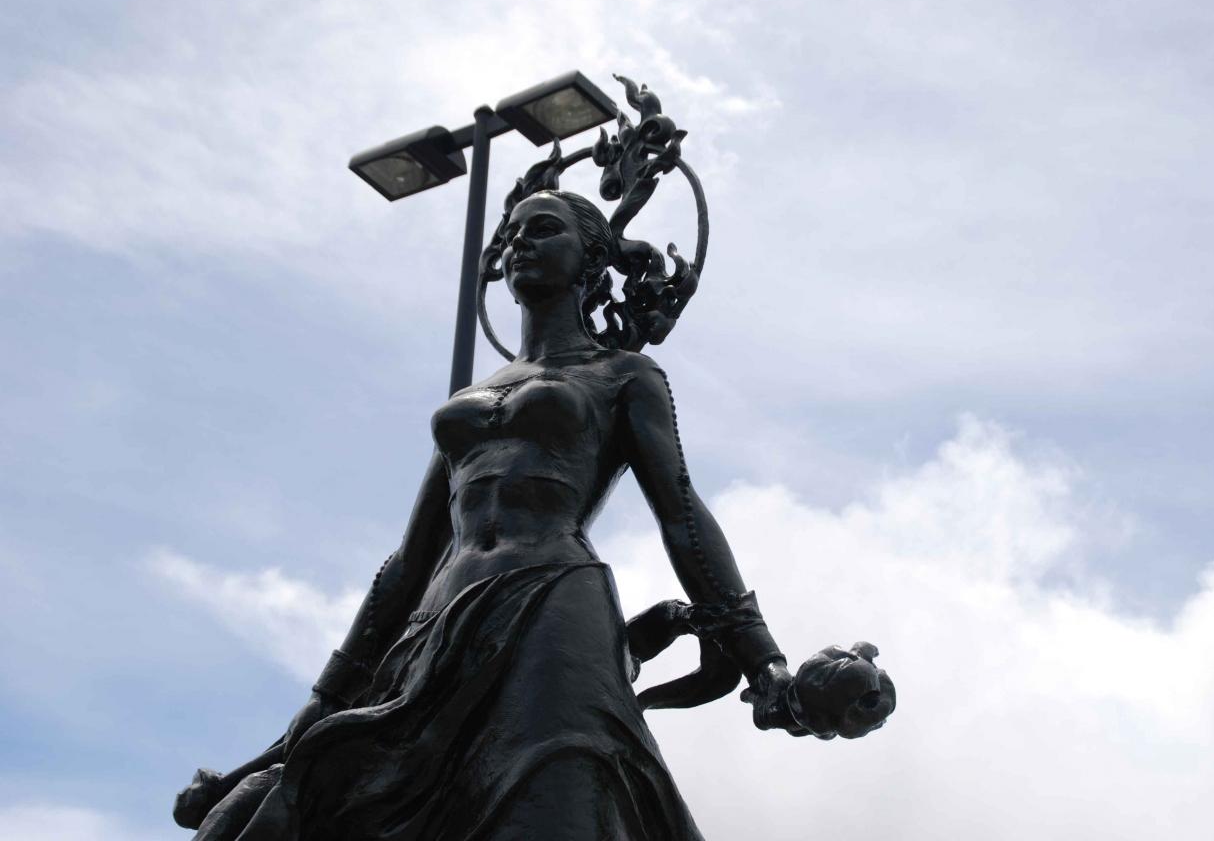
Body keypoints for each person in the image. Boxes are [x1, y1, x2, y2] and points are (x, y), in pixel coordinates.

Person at [174, 188, 799, 840]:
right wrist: (327, 693)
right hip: (436, 628)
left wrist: (763, 660)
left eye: (544, 229)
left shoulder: (625, 375)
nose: (521, 241)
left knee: (551, 797)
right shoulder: (472, 397)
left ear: (591, 260)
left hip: (551, 606)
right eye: (514, 232)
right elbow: (410, 561)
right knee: (303, 804)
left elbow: (681, 516)